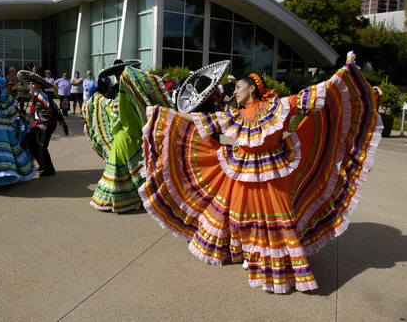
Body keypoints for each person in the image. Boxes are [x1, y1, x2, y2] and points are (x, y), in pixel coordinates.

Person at [138, 52, 383, 294]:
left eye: (238, 88)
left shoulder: (276, 106)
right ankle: (248, 252)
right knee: (241, 215)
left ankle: (275, 262)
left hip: (271, 173)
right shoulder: (234, 115)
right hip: (241, 171)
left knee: (274, 216)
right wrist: (166, 114)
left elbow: (311, 96)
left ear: (252, 90)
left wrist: (340, 77)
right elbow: (200, 120)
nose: (234, 92)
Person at [84, 59, 173, 212]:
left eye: (121, 73)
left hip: (130, 134)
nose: (120, 76)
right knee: (130, 168)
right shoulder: (131, 90)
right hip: (129, 134)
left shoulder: (126, 90)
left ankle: (128, 198)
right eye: (118, 73)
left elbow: (112, 111)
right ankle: (135, 197)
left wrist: (98, 102)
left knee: (128, 168)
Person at [18, 70, 68, 177]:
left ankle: (49, 169)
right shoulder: (36, 95)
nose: (31, 85)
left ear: (39, 85)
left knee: (41, 146)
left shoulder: (41, 95)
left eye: (33, 84)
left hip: (46, 124)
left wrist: (52, 119)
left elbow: (52, 108)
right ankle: (43, 164)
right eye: (30, 83)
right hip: (41, 123)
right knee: (31, 143)